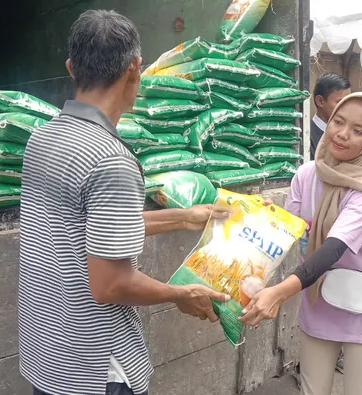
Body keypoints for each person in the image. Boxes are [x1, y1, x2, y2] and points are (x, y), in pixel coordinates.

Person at [18, 11, 231, 395]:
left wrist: (183, 217)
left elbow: (85, 224)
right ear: (135, 69)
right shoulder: (110, 159)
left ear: (71, 67)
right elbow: (110, 285)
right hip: (95, 368)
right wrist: (182, 294)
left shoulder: (42, 140)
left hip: (48, 356)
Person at [240, 92, 362, 395]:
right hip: (318, 298)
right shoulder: (307, 174)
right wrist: (250, 217)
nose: (342, 134)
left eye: (358, 130)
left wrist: (278, 293)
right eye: (338, 121)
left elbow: (331, 250)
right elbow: (286, 230)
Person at [310, 73, 351, 160]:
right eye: (340, 102)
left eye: (348, 102)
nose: (346, 107)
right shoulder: (307, 136)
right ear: (320, 101)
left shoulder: (349, 134)